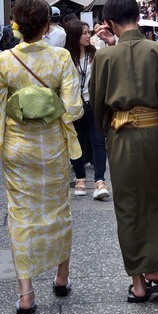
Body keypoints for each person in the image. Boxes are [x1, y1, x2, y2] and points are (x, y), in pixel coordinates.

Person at [0, 0, 83, 314]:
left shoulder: (4, 62)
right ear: (46, 26)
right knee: (57, 209)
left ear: (16, 25)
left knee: (21, 215)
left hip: (17, 147)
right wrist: (47, 108)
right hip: (52, 147)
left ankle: (26, 295)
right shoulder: (60, 58)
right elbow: (74, 108)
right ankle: (61, 277)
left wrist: (16, 116)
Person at [89, 0, 158, 302]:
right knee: (157, 201)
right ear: (137, 16)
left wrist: (112, 128)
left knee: (128, 207)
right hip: (157, 134)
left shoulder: (104, 57)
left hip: (122, 138)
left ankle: (139, 281)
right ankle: (154, 268)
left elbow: (96, 104)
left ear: (109, 23)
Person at [65, 18, 110, 200]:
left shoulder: (96, 54)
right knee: (77, 143)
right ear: (74, 36)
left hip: (93, 104)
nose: (88, 36)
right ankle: (80, 179)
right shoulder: (66, 57)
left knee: (99, 141)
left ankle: (100, 181)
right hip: (74, 106)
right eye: (83, 33)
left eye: (88, 32)